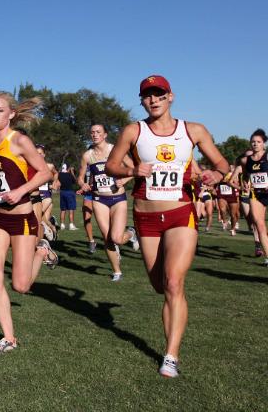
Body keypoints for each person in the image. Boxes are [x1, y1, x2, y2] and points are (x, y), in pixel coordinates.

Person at [106, 74, 228, 378]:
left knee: (174, 282)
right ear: (142, 100)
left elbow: (223, 165)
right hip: (146, 217)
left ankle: (171, 355)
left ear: (170, 96)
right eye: (148, 95)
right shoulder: (133, 131)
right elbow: (111, 165)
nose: (154, 100)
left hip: (180, 214)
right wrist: (133, 169)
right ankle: (133, 236)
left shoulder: (193, 130)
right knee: (159, 285)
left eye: (159, 94)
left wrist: (216, 175)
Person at [0, 91, 52, 355]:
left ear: (11, 114)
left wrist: (21, 191)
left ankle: (42, 251)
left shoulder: (19, 140)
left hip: (22, 220)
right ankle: (8, 338)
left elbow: (45, 172)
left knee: (21, 286)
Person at [77, 124, 139, 282]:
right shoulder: (87, 155)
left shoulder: (115, 150)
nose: (95, 134)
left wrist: (124, 180)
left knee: (117, 238)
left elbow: (134, 168)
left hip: (118, 199)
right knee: (107, 238)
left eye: (98, 132)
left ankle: (131, 232)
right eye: (92, 132)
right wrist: (82, 184)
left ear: (105, 134)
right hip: (99, 199)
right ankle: (117, 271)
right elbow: (80, 177)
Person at [238, 129, 268, 265]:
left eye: (258, 142)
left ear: (264, 144)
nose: (255, 144)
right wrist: (244, 183)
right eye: (253, 142)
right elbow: (245, 175)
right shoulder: (246, 160)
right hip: (256, 194)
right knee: (259, 225)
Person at [35, 145, 59, 242]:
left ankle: (40, 241)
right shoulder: (30, 166)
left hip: (46, 196)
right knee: (43, 219)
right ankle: (52, 227)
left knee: (37, 217)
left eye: (40, 154)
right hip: (34, 196)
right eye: (36, 153)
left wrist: (54, 182)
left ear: (44, 155)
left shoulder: (49, 166)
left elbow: (56, 173)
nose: (38, 155)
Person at [215, 165, 240, 236]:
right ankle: (225, 221)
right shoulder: (220, 174)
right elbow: (215, 182)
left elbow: (237, 184)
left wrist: (231, 181)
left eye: (231, 167)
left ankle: (233, 228)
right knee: (222, 210)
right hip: (222, 194)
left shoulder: (233, 175)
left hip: (231, 195)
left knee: (233, 214)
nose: (229, 168)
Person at [57, 164, 78, 230]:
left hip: (62, 192)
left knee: (63, 210)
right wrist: (72, 172)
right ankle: (71, 225)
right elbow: (75, 181)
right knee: (71, 209)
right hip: (70, 192)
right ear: (68, 168)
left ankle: (62, 225)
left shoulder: (59, 174)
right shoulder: (70, 175)